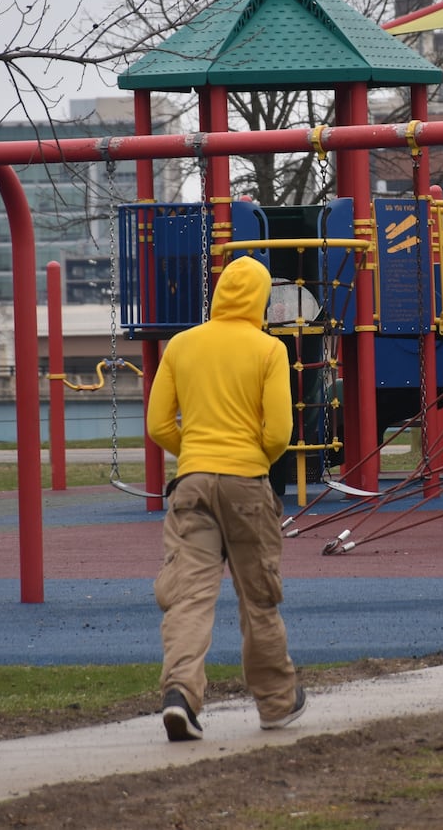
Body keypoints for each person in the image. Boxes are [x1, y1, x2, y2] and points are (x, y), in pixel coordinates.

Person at [146, 254, 307, 742]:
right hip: (247, 483)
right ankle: (277, 702)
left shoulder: (182, 344)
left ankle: (181, 695)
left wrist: (195, 451)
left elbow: (157, 426)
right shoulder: (268, 349)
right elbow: (278, 432)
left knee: (188, 597)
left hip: (191, 483)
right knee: (258, 598)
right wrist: (250, 458)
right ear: (260, 299)